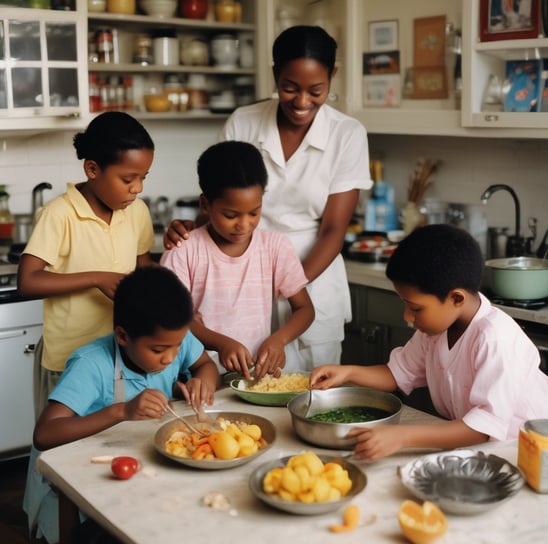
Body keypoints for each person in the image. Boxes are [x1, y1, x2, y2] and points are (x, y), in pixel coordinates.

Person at [164, 25, 372, 372]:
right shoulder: (243, 121)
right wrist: (189, 230)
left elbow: (334, 229)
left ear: (332, 77)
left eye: (316, 90)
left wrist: (283, 282)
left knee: (304, 394)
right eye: (290, 88)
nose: (302, 102)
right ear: (275, 74)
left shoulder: (347, 134)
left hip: (308, 281)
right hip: (234, 281)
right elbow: (221, 197)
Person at [309, 224, 548, 461]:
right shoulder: (434, 330)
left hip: (528, 453)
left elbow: (481, 429)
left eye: (415, 308)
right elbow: (396, 374)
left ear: (456, 298)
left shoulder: (495, 338)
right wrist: (347, 372)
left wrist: (401, 436)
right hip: (486, 452)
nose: (406, 316)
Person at [23, 266, 221, 543]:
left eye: (177, 347)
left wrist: (205, 381)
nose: (170, 358)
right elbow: (45, 434)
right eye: (158, 350)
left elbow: (205, 365)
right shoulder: (91, 364)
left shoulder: (172, 337)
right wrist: (122, 410)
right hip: (79, 476)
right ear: (123, 336)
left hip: (132, 459)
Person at [17, 111, 158, 417]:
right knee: (61, 444)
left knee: (105, 444)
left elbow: (144, 268)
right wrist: (96, 278)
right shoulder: (60, 214)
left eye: (143, 177)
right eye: (128, 179)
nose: (138, 188)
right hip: (66, 358)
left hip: (117, 357)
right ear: (92, 169)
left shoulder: (137, 212)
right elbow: (28, 281)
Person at [161, 141, 315, 380]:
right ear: (205, 204)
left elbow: (305, 309)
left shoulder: (275, 247)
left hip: (255, 375)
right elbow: (174, 318)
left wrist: (279, 339)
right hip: (198, 375)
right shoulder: (184, 250)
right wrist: (220, 343)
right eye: (230, 215)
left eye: (254, 212)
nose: (244, 225)